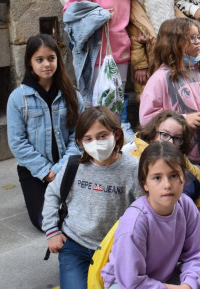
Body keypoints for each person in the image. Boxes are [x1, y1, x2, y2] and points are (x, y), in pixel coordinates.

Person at [101, 142, 200, 289]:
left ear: (184, 178)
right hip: (125, 283)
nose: (167, 185)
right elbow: (131, 281)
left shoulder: (186, 205)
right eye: (157, 178)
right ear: (144, 184)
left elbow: (196, 255)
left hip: (165, 275)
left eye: (174, 175)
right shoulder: (136, 221)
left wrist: (189, 285)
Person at [42, 107, 139, 289]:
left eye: (102, 136)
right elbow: (52, 194)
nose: (96, 143)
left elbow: (147, 209)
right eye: (88, 138)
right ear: (80, 142)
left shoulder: (134, 169)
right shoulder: (74, 166)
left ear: (116, 134)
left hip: (116, 249)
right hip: (75, 246)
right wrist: (52, 231)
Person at [7, 34, 84, 231]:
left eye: (51, 58)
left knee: (79, 216)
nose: (46, 64)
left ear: (58, 59)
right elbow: (17, 143)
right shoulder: (18, 99)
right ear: (30, 63)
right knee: (46, 223)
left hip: (68, 167)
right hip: (34, 172)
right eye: (39, 60)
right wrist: (45, 172)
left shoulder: (72, 95)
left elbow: (80, 137)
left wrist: (59, 169)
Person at [140, 18, 200, 177]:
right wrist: (183, 121)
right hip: (178, 164)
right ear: (173, 42)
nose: (198, 42)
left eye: (199, 37)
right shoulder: (160, 78)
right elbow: (147, 119)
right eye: (191, 38)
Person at [64, 0, 138, 102]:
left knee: (116, 104)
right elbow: (69, 10)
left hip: (121, 53)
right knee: (97, 107)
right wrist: (98, 13)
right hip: (97, 56)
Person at [130, 110, 200, 213]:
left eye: (177, 138)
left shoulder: (183, 161)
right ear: (152, 134)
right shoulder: (135, 163)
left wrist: (189, 215)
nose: (170, 142)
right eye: (164, 135)